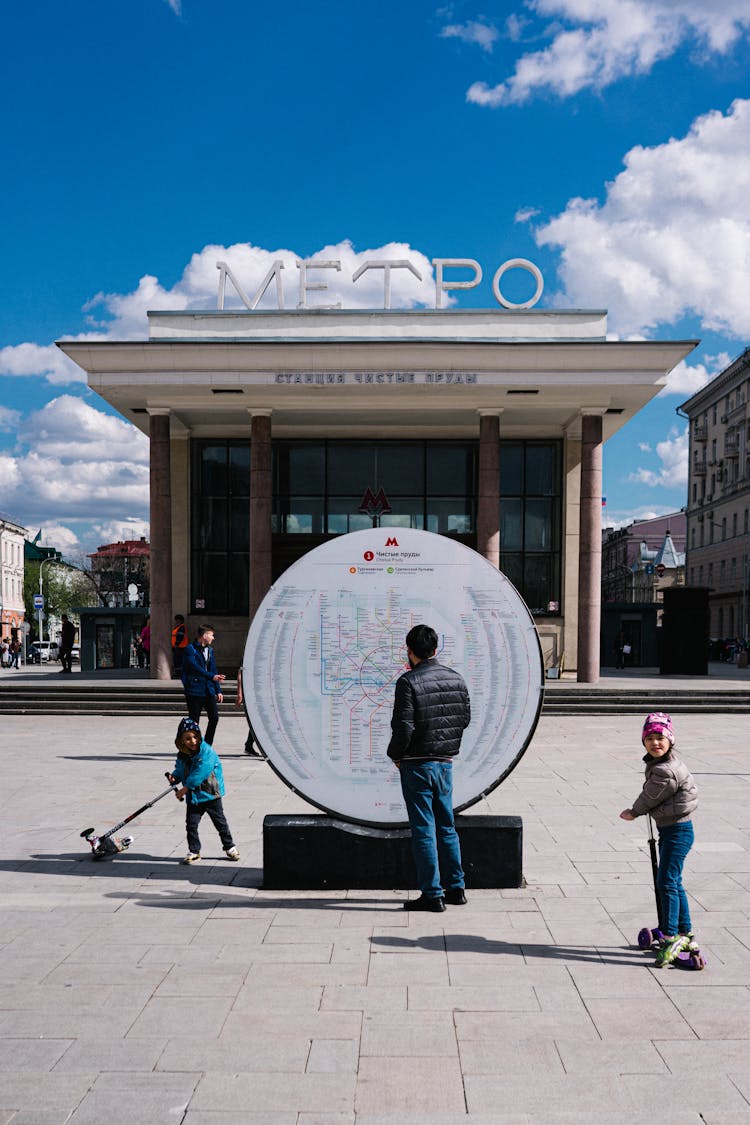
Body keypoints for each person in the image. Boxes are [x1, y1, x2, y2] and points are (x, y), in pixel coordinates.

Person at [387, 623, 471, 912]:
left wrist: (395, 755)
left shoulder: (408, 682)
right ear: (435, 649)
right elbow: (465, 718)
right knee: (446, 825)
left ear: (410, 651)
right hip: (445, 764)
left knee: (424, 827)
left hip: (417, 765)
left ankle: (432, 894)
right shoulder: (456, 679)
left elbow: (404, 727)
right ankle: (456, 888)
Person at [620, 712, 698, 967]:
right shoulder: (663, 763)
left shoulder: (665, 770)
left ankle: (670, 934)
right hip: (672, 829)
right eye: (650, 738)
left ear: (670, 741)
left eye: (660, 738)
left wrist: (633, 812)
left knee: (666, 882)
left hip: (677, 832)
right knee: (673, 881)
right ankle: (684, 931)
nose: (655, 743)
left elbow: (650, 797)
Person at [169, 717, 240, 864]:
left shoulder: (207, 752)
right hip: (194, 797)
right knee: (191, 824)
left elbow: (200, 772)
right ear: (181, 740)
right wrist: (174, 777)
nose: (192, 741)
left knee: (220, 822)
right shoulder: (183, 754)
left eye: (195, 737)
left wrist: (185, 788)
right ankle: (194, 850)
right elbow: (180, 769)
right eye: (187, 739)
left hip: (210, 794)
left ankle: (230, 846)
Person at [182, 625, 225, 747]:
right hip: (194, 690)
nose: (213, 638)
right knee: (194, 720)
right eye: (211, 635)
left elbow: (213, 669)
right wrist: (211, 677)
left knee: (214, 717)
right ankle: (192, 746)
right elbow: (194, 667)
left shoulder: (209, 650)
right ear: (204, 635)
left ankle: (207, 745)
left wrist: (218, 690)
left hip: (208, 690)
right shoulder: (190, 649)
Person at [235, 665, 263, 756]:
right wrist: (239, 693)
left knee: (259, 722)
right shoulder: (248, 653)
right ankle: (250, 745)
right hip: (251, 692)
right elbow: (240, 673)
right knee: (257, 721)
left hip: (261, 691)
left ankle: (249, 745)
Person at [171, 614, 188, 679]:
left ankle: (178, 674)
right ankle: (178, 673)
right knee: (178, 661)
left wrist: (176, 644)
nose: (176, 622)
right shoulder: (178, 627)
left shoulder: (181, 627)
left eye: (177, 620)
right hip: (179, 647)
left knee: (178, 661)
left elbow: (180, 637)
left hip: (180, 647)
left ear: (180, 621)